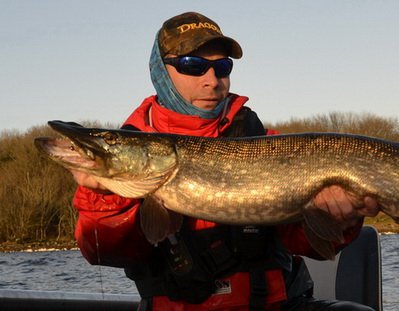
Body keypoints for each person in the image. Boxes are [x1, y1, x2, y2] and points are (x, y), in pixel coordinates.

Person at [70, 11, 379, 311]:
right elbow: (103, 250)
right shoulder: (137, 147)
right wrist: (103, 197)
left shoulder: (261, 141)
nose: (212, 80)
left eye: (222, 67)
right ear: (161, 72)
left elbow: (307, 243)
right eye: (193, 66)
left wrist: (341, 218)